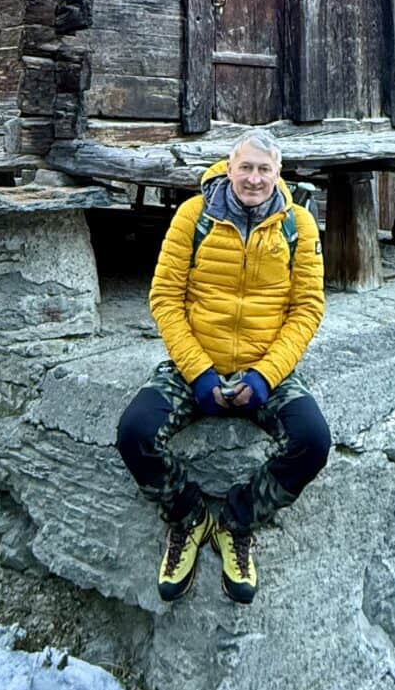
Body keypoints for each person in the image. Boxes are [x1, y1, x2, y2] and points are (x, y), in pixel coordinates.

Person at [116, 129, 330, 604]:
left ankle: (238, 521)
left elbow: (307, 309)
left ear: (279, 173)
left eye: (264, 169)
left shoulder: (299, 225)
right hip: (196, 362)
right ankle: (189, 516)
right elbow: (165, 299)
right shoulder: (194, 217)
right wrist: (198, 372)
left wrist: (265, 376)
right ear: (229, 168)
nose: (254, 179)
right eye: (246, 168)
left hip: (265, 366)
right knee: (134, 432)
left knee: (313, 442)